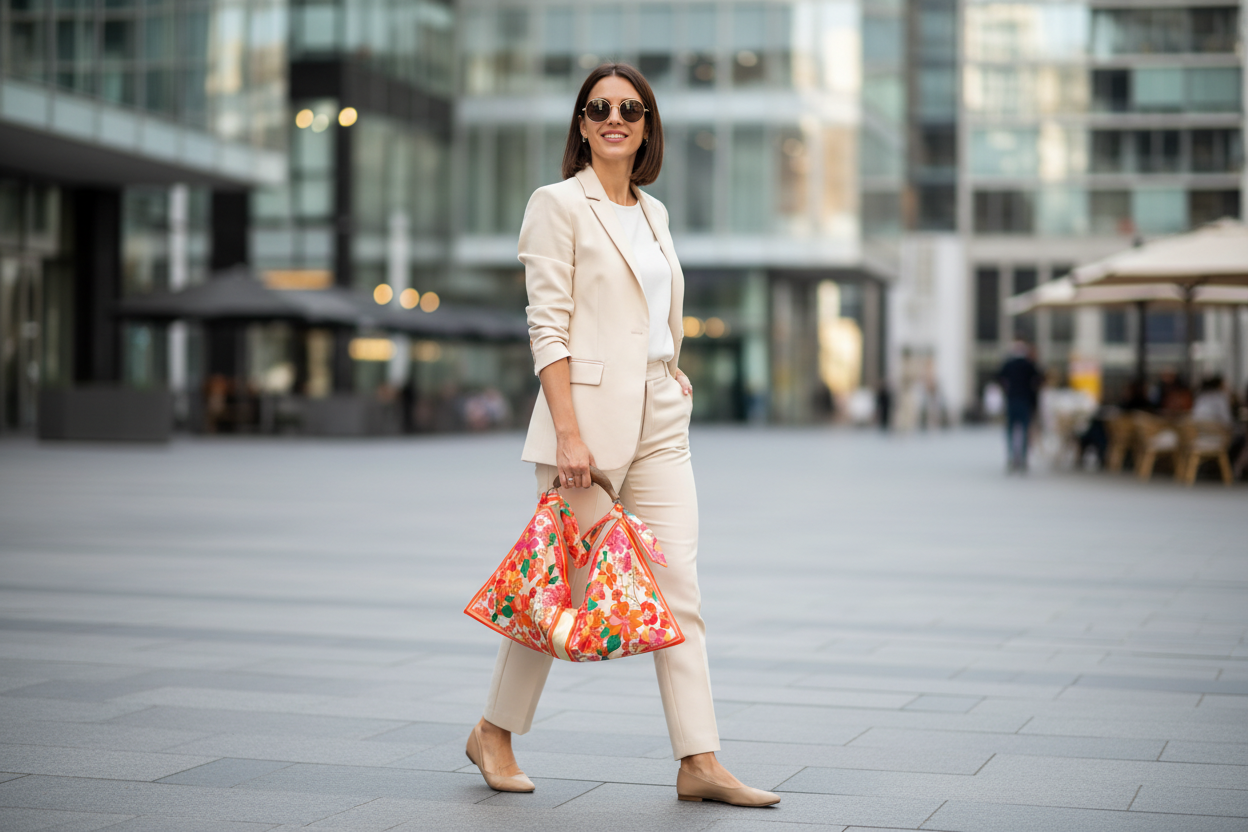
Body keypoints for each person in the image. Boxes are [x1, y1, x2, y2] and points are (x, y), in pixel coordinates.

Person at [465, 63, 779, 808]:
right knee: (563, 582)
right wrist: (569, 433)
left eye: (630, 109)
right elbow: (548, 327)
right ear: (580, 124)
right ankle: (494, 731)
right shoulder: (556, 205)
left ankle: (699, 759)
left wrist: (670, 368)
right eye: (599, 107)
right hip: (587, 424)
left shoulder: (655, 212)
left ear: (647, 126)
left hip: (662, 418)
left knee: (679, 589)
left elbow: (651, 307)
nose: (615, 118)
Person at [998, 340, 1043, 472]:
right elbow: (1039, 378)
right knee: (1023, 430)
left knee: (1011, 431)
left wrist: (1006, 390)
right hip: (1024, 400)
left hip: (1012, 400)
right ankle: (1023, 459)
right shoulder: (1028, 364)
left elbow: (999, 377)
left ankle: (1012, 458)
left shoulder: (1009, 364)